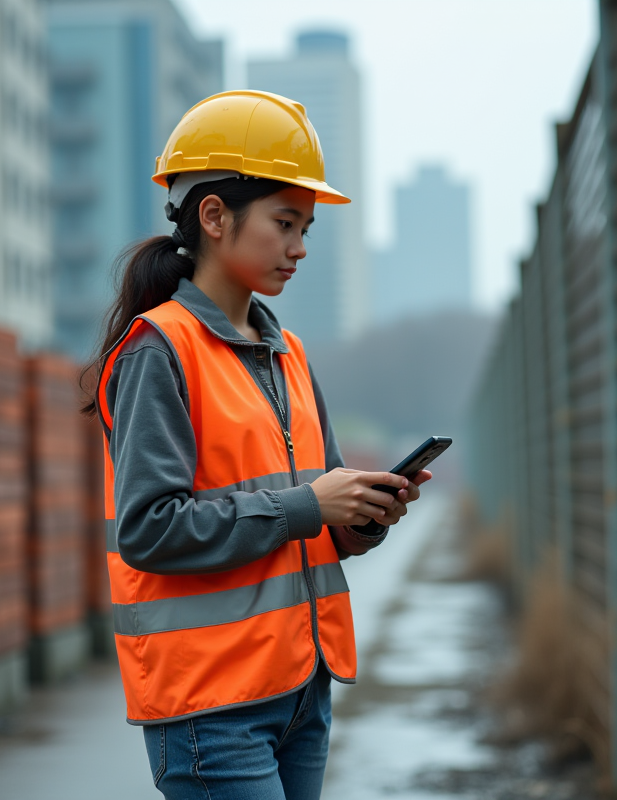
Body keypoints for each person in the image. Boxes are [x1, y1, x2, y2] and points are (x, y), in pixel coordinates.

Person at [82, 90, 431, 800]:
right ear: (214, 217)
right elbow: (150, 531)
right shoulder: (161, 350)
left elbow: (309, 522)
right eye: (284, 223)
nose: (301, 247)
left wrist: (361, 516)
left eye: (305, 227)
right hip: (214, 705)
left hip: (303, 686)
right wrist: (309, 505)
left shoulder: (288, 353)